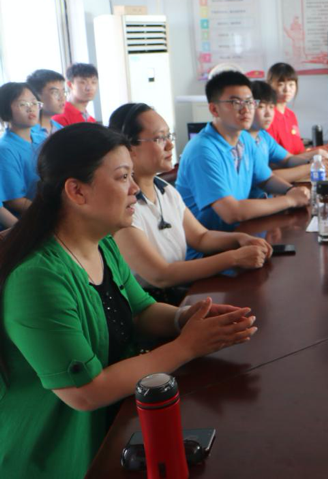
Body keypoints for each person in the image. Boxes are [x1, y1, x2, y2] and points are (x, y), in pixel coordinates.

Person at [0, 123, 257, 478]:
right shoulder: (38, 277)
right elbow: (85, 392)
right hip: (59, 453)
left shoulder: (103, 242)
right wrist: (187, 346)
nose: (135, 189)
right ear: (76, 191)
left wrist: (188, 318)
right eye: (123, 177)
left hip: (117, 424)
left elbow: (140, 311)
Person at [108, 103, 274, 299]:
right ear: (129, 148)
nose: (170, 145)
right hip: (149, 305)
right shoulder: (122, 205)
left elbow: (201, 237)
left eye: (169, 136)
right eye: (160, 138)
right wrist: (234, 258)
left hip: (179, 292)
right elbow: (161, 275)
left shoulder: (165, 189)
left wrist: (240, 239)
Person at [175, 71, 310, 233]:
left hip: (240, 233)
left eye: (249, 102)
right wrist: (290, 200)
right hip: (210, 243)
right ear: (214, 109)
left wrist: (290, 190)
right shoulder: (202, 151)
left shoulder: (245, 139)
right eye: (235, 102)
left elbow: (266, 179)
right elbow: (231, 212)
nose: (246, 109)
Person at [248, 81, 328, 199]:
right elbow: (267, 177)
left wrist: (312, 162)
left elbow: (288, 159)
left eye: (271, 107)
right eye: (261, 106)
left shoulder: (263, 135)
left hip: (269, 200)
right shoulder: (242, 140)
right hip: (256, 203)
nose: (268, 114)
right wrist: (311, 168)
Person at [265, 62, 328, 159]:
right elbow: (273, 159)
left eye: (291, 84)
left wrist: (320, 149)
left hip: (297, 164)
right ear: (269, 86)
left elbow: (299, 151)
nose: (287, 89)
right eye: (280, 84)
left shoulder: (291, 115)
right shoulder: (267, 116)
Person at [0, 83, 45, 228]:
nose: (31, 108)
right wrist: (50, 215)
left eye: (34, 103)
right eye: (22, 104)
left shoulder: (42, 139)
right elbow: (14, 200)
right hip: (29, 221)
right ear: (6, 110)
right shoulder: (5, 149)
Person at [26, 69, 66, 138]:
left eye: (63, 92)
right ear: (36, 96)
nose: (62, 98)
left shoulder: (61, 129)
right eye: (55, 92)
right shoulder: (25, 132)